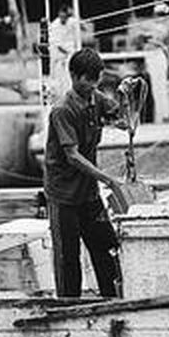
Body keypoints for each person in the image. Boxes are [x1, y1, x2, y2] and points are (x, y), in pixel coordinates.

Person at [43, 48, 124, 298]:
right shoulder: (62, 110)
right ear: (74, 76)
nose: (92, 85)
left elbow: (118, 111)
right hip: (63, 194)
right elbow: (73, 155)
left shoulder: (96, 98)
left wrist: (124, 115)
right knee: (69, 257)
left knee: (107, 246)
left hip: (88, 192)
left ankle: (113, 299)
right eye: (87, 79)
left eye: (96, 79)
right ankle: (69, 305)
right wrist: (108, 179)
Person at [47, 2, 79, 100]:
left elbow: (82, 25)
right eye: (61, 17)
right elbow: (57, 44)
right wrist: (68, 53)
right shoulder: (54, 25)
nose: (63, 19)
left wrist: (72, 12)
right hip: (58, 55)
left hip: (69, 53)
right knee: (57, 78)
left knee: (69, 77)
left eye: (65, 17)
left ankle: (70, 94)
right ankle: (55, 94)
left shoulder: (72, 22)